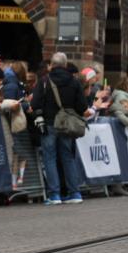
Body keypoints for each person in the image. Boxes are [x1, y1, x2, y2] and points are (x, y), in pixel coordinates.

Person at [31, 52, 86, 205]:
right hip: (67, 125)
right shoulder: (74, 82)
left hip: (49, 124)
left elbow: (35, 104)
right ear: (66, 65)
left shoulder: (44, 81)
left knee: (50, 158)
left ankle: (54, 195)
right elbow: (82, 106)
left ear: (52, 65)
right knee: (68, 158)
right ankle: (74, 193)